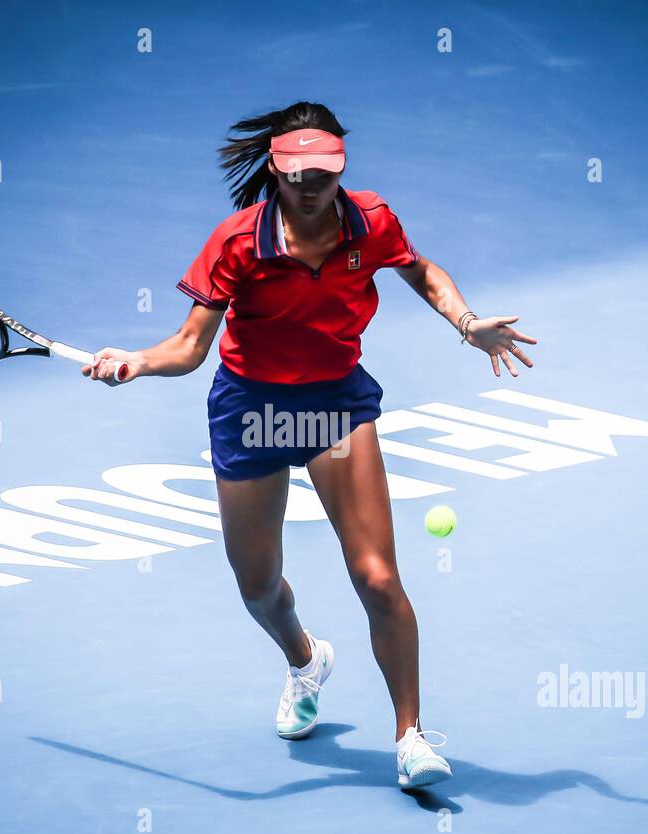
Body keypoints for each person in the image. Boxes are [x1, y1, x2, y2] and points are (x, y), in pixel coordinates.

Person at [83, 101, 536, 789]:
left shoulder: (372, 220)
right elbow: (188, 347)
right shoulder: (238, 242)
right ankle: (305, 659)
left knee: (379, 578)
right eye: (297, 173)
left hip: (334, 406)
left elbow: (422, 271)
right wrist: (137, 362)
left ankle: (410, 736)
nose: (310, 185)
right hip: (250, 410)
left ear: (339, 168)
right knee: (259, 586)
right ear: (275, 168)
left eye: (324, 171)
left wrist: (465, 320)